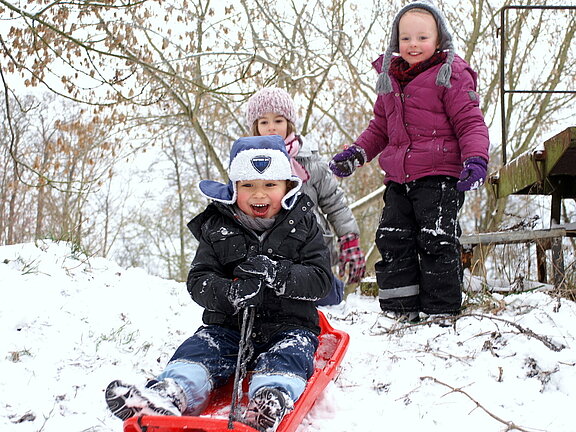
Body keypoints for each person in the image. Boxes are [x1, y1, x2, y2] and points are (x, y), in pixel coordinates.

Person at [104, 135, 332, 432]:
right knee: (201, 349)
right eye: (247, 185)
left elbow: (321, 279)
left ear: (287, 186)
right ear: (234, 188)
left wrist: (279, 275)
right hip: (228, 326)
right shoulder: (217, 226)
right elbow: (199, 280)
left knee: (290, 354)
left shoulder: (303, 224)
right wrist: (231, 292)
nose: (258, 194)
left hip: (290, 324)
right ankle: (170, 393)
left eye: (269, 185)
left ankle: (269, 399)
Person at [329, 0, 490, 323]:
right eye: (406, 39)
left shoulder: (451, 75)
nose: (413, 45)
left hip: (440, 175)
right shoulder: (390, 80)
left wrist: (476, 159)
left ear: (439, 40)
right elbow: (380, 128)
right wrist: (358, 153)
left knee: (435, 238)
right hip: (399, 177)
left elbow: (470, 122)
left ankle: (440, 309)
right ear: (396, 42)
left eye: (422, 38)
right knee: (392, 237)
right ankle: (400, 309)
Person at [245, 87, 366, 306]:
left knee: (321, 297)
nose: (271, 127)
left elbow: (335, 204)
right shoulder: (247, 166)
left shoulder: (310, 163)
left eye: (278, 121)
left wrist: (349, 239)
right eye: (263, 122)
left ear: (289, 123)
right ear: (255, 128)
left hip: (311, 246)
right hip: (269, 249)